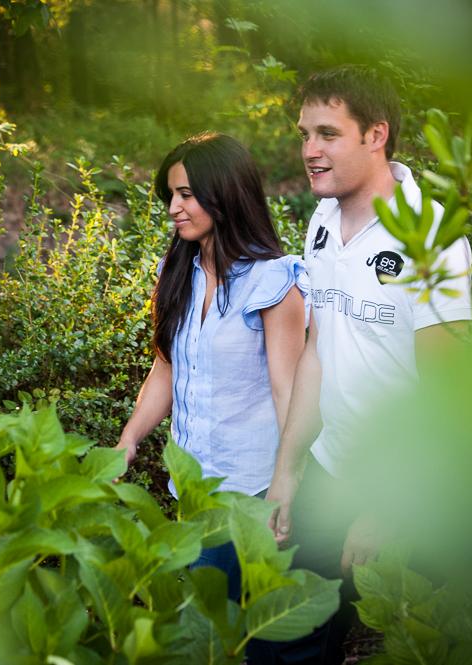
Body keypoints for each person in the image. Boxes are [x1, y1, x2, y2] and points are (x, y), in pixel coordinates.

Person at [265, 65, 472, 664]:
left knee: (412, 648)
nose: (310, 150)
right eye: (304, 134)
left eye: (327, 134)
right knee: (294, 644)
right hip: (330, 476)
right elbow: (316, 353)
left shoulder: (432, 234)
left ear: (376, 134)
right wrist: (289, 468)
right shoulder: (322, 222)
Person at [115, 131, 308, 604]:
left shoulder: (273, 282)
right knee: (207, 623)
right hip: (193, 489)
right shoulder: (178, 271)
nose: (173, 209)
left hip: (251, 491)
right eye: (171, 196)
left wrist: (287, 485)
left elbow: (291, 394)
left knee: (242, 628)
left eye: (186, 195)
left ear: (225, 195)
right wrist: (129, 439)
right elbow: (166, 369)